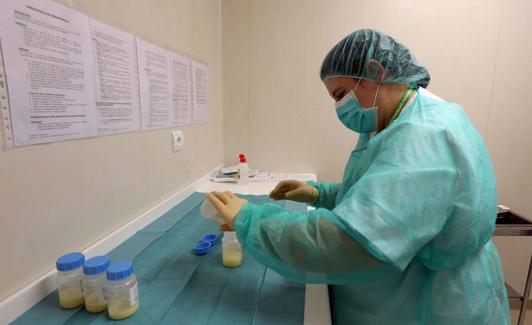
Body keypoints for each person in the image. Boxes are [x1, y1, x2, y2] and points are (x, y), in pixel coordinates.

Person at [207, 29, 510, 324]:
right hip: (413, 290)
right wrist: (319, 194)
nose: (339, 106)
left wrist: (250, 220)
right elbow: (380, 197)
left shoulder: (425, 137)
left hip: (431, 303)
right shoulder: (395, 120)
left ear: (375, 72)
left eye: (340, 94)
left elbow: (347, 241)